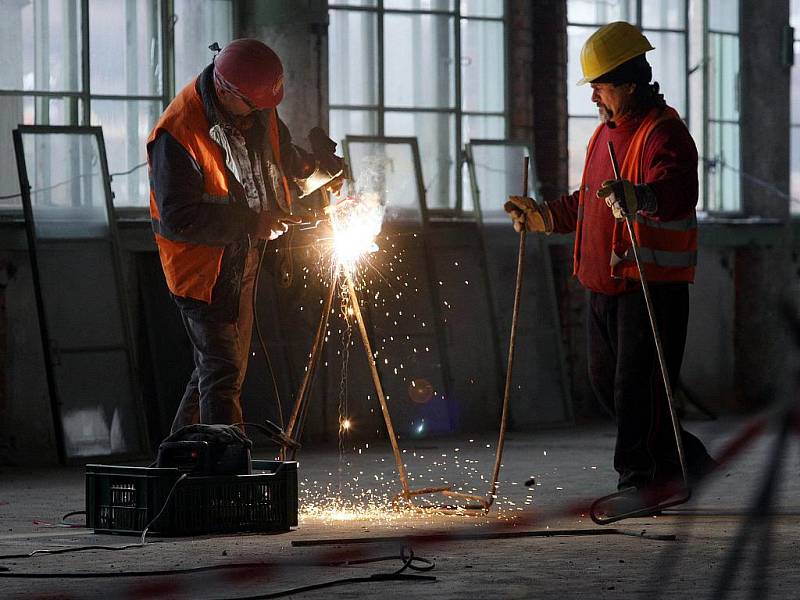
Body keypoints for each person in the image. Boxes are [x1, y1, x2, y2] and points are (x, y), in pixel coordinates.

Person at [505, 22, 716, 498]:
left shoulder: (665, 133)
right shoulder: (605, 135)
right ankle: (687, 461)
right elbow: (589, 203)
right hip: (603, 285)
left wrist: (641, 196)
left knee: (633, 390)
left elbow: (679, 191)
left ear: (628, 82)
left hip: (648, 287)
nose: (594, 98)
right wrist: (542, 217)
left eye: (600, 86)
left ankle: (638, 481)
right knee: (609, 387)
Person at [147, 38, 342, 434]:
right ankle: (222, 477)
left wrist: (321, 173)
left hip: (241, 258)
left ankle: (176, 466)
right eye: (253, 107)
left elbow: (282, 165)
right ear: (224, 90)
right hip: (201, 269)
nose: (261, 115)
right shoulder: (179, 131)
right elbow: (179, 217)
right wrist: (253, 223)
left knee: (218, 368)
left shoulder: (257, 111)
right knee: (222, 370)